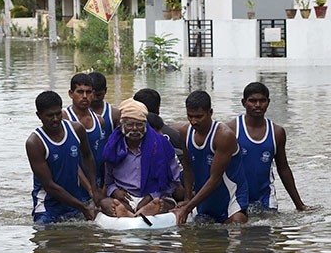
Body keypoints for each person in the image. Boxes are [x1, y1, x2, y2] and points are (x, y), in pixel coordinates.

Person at [227, 82, 307, 211]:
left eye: (262, 101)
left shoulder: (277, 132)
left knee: (267, 229)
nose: (257, 105)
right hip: (236, 196)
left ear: (268, 102)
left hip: (266, 197)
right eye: (252, 101)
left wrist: (299, 205)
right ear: (243, 103)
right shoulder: (231, 130)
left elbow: (283, 168)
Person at [173, 90, 249, 224]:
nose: (193, 121)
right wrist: (187, 198)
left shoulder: (224, 136)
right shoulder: (185, 132)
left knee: (237, 225)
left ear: (210, 112)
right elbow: (188, 166)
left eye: (198, 116)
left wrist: (187, 208)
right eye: (190, 116)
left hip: (231, 201)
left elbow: (215, 179)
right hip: (205, 199)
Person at [26, 90, 103, 224]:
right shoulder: (35, 143)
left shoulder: (77, 129)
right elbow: (49, 185)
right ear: (39, 116)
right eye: (50, 116)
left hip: (75, 199)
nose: (55, 119)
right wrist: (83, 207)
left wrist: (93, 188)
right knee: (44, 233)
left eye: (58, 114)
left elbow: (87, 156)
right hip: (48, 205)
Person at [99, 99, 181, 218]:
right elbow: (109, 182)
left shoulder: (161, 145)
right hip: (126, 198)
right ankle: (128, 211)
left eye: (139, 125)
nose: (134, 129)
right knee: (105, 203)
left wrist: (151, 196)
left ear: (145, 126)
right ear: (122, 126)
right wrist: (115, 191)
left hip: (156, 196)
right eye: (129, 125)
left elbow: (173, 181)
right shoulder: (113, 147)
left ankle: (143, 210)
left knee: (162, 203)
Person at [62, 73, 106, 190]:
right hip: (72, 184)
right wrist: (90, 188)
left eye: (88, 92)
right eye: (80, 92)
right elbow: (68, 159)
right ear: (71, 94)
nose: (85, 96)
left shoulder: (99, 120)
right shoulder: (63, 118)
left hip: (94, 181)